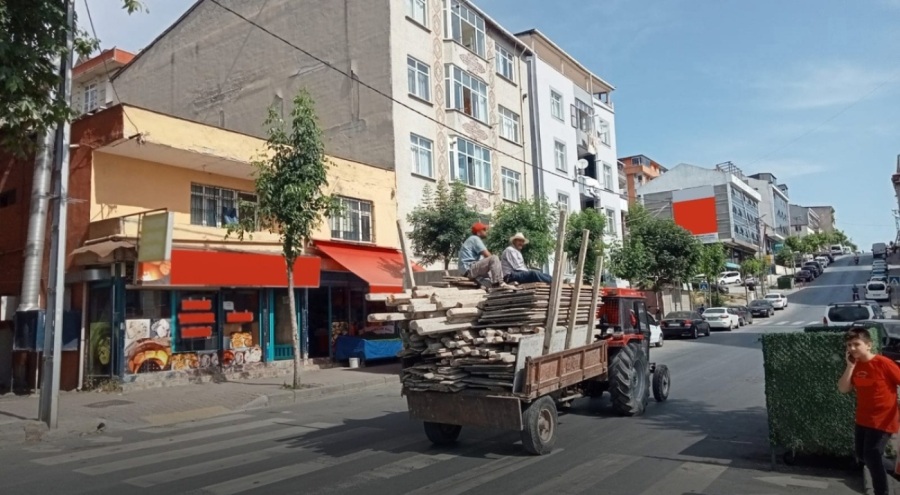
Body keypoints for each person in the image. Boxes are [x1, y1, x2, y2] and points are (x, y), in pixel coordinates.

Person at [838, 328, 900, 495]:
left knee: (872, 454)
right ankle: (895, 470)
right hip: (863, 419)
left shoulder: (884, 363)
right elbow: (843, 388)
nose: (852, 348)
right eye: (849, 345)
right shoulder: (855, 365)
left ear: (868, 345)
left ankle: (882, 492)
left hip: (883, 420)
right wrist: (850, 366)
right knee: (862, 455)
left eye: (856, 344)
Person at [458, 222, 514, 290]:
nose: (486, 231)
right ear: (478, 233)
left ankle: (495, 285)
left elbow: (484, 260)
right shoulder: (475, 239)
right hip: (469, 269)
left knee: (490, 278)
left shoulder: (472, 239)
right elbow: (488, 255)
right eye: (484, 230)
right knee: (494, 258)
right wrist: (498, 265)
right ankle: (499, 283)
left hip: (467, 270)